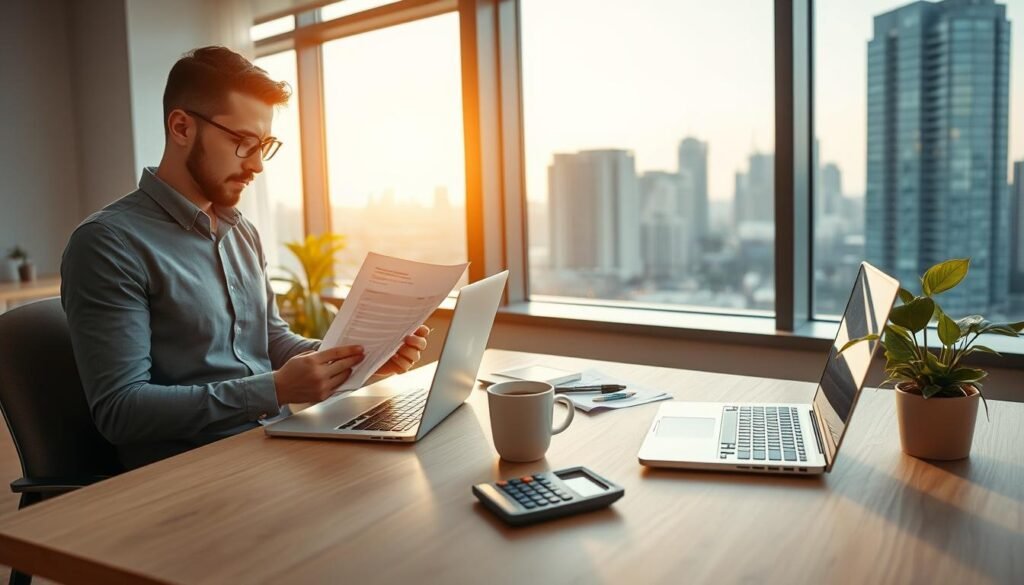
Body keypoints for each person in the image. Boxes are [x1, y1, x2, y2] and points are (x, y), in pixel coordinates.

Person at [61, 46, 429, 469]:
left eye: (264, 146)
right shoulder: (108, 244)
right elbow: (121, 411)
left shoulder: (242, 232)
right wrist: (272, 390)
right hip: (184, 473)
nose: (257, 165)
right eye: (242, 143)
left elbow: (272, 343)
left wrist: (366, 356)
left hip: (270, 445)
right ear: (181, 127)